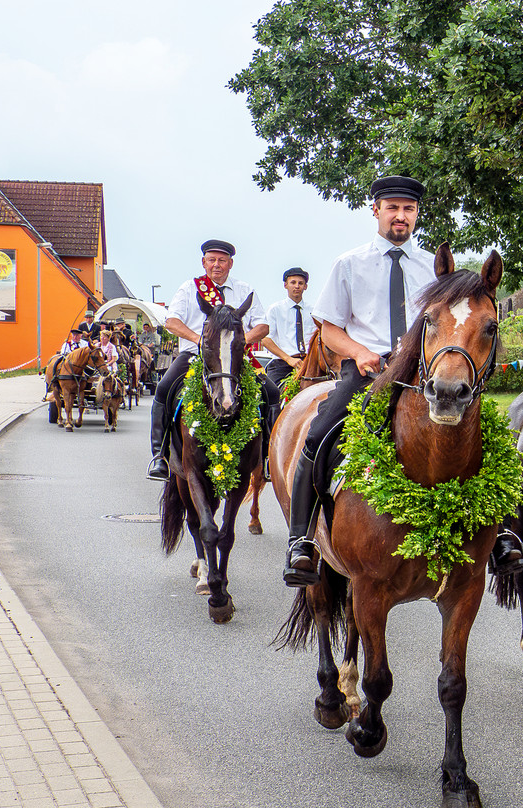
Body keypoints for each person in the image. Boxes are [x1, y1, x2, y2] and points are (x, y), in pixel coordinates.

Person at [283, 174, 436, 586]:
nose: (400, 217)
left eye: (408, 209)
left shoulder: (432, 269)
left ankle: (501, 539)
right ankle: (300, 542)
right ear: (376, 211)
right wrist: (359, 352)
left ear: (416, 214)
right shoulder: (349, 263)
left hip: (422, 376)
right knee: (319, 436)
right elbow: (329, 328)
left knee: (484, 437)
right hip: (367, 370)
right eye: (393, 208)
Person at [147, 240, 271, 480]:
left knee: (271, 393)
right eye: (212, 260)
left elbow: (263, 326)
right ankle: (159, 457)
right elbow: (171, 322)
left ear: (230, 264)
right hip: (195, 355)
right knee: (163, 390)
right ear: (203, 262)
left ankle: (265, 459)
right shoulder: (189, 288)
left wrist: (241, 342)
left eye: (222, 260)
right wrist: (199, 340)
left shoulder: (245, 290)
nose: (217, 265)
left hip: (235, 358)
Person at [263, 267, 312, 384]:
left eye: (301, 283)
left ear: (305, 287)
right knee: (270, 396)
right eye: (293, 282)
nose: (297, 286)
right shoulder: (275, 309)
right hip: (282, 364)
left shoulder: (313, 312)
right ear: (285, 285)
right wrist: (288, 359)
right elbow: (266, 340)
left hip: (309, 364)